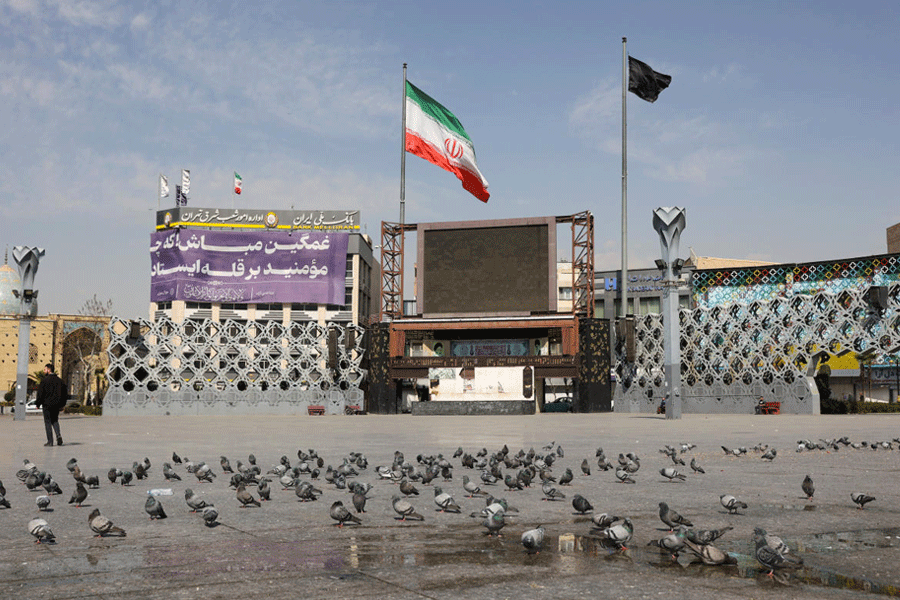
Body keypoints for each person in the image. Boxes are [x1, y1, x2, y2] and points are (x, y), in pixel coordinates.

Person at [35, 363, 66, 447]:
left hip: (47, 405)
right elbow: (64, 394)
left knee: (48, 422)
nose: (44, 371)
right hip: (56, 405)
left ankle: (50, 441)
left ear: (49, 370)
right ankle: (58, 435)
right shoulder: (60, 381)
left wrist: (38, 403)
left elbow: (40, 394)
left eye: (45, 369)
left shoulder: (44, 381)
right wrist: (62, 404)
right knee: (55, 421)